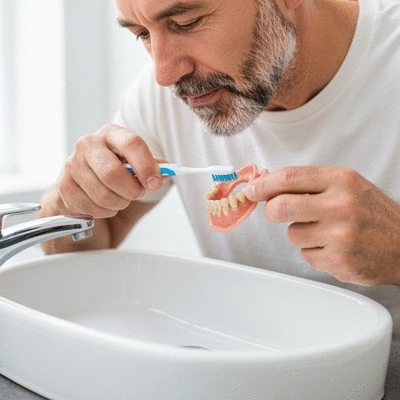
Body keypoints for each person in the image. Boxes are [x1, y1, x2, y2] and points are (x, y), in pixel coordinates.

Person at [39, 0, 400, 397]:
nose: (163, 73)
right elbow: (84, 244)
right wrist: (69, 203)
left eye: (186, 22)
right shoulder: (163, 96)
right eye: (141, 34)